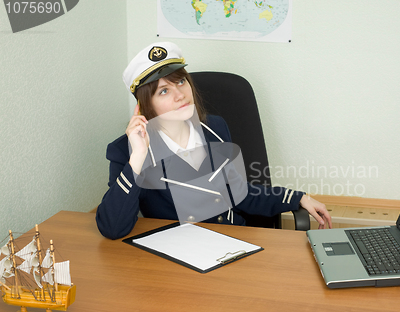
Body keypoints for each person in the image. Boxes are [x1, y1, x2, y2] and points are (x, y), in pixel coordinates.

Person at [96, 42, 332, 240]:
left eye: (181, 82)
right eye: (164, 91)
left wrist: (295, 197)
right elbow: (112, 228)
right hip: (176, 259)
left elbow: (238, 193)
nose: (180, 94)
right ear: (145, 105)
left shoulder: (214, 128)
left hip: (231, 242)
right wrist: (138, 156)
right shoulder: (125, 151)